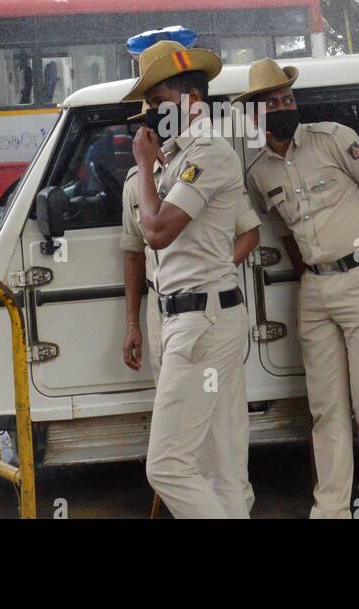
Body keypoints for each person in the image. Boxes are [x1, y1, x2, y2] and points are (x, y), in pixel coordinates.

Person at [238, 58, 359, 519]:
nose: (283, 106)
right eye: (272, 102)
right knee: (326, 406)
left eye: (288, 98)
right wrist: (312, 268)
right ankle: (331, 506)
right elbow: (283, 230)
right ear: (255, 113)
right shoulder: (257, 170)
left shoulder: (333, 138)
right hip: (314, 289)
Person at [123, 39, 253, 518]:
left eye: (159, 103)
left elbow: (155, 232)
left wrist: (141, 163)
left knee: (167, 466)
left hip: (202, 323)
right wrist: (154, 164)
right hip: (193, 318)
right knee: (217, 462)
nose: (150, 115)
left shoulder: (209, 152)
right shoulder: (179, 158)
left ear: (192, 101)